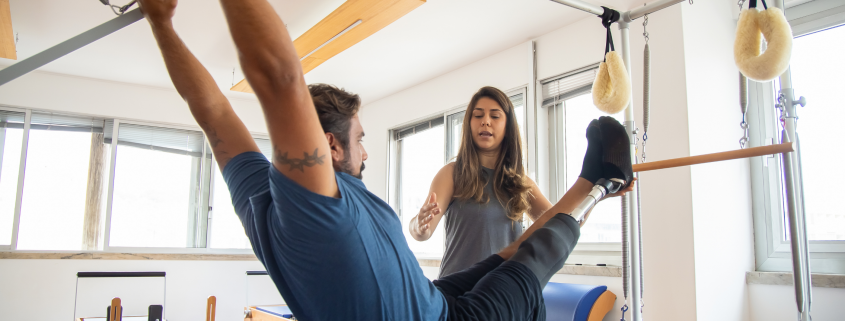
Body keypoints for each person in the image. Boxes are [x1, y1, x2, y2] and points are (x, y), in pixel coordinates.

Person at [137, 0, 634, 320]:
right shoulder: (313, 203)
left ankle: (596, 182)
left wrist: (161, 21)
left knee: (501, 258)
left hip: (434, 299)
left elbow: (212, 110)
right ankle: (599, 183)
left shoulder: (256, 191)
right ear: (330, 147)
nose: (368, 151)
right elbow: (276, 74)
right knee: (528, 264)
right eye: (360, 138)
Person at [408, 86, 554, 277]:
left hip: (502, 294)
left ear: (507, 126)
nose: (485, 121)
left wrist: (596, 191)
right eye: (478, 116)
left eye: (495, 116)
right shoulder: (451, 174)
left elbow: (562, 222)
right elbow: (422, 232)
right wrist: (418, 226)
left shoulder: (521, 184)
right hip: (459, 295)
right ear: (469, 123)